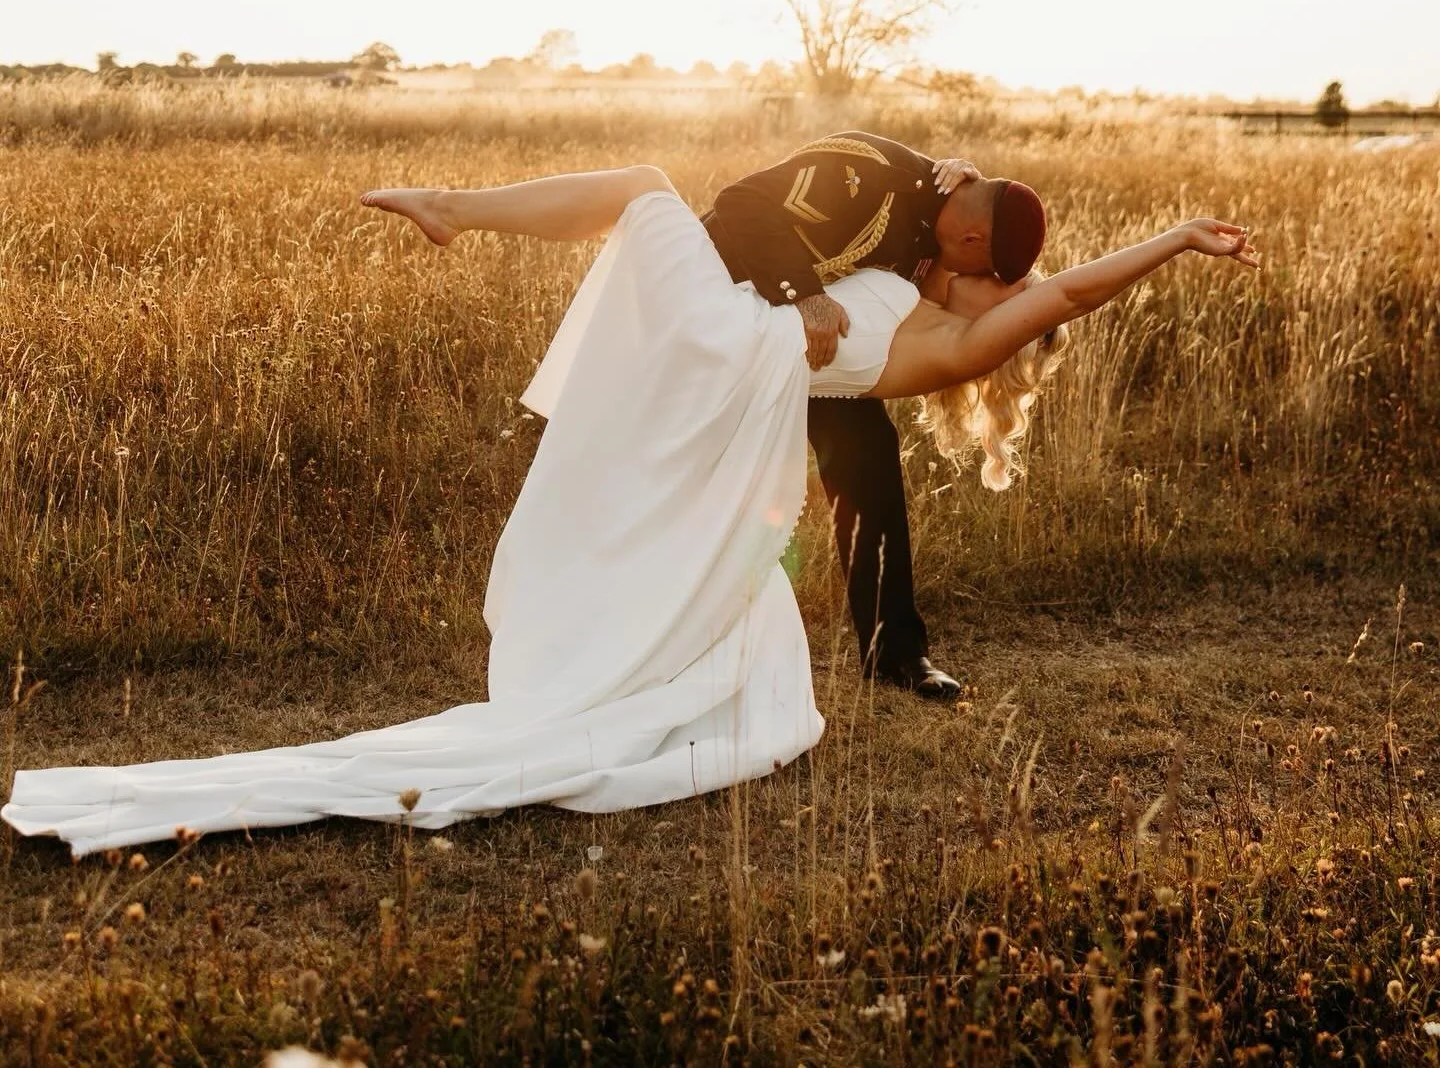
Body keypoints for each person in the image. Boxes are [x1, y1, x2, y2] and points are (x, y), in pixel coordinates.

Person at [2, 166, 1255, 857]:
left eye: (973, 247)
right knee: (658, 216)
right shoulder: (906, 274)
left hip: (741, 351)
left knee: (648, 185)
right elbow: (865, 202)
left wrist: (1171, 242)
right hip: (741, 355)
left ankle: (458, 207)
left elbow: (1072, 291)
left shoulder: (958, 337)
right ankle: (460, 212)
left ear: (993, 280)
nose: (950, 240)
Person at [704, 131, 1046, 700]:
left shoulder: (939, 210)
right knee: (715, 478)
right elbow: (740, 202)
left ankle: (896, 654)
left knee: (871, 460)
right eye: (985, 269)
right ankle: (701, 632)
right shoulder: (869, 175)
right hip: (727, 327)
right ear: (971, 237)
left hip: (819, 355)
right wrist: (804, 295)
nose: (971, 278)